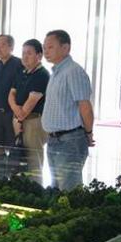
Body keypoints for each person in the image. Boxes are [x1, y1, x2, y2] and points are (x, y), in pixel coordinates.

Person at [41, 30, 94, 191]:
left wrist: (88, 132)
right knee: (57, 188)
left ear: (65, 48)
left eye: (50, 47)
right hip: (54, 140)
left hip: (69, 140)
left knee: (69, 189)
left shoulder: (73, 71)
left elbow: (85, 106)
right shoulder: (56, 72)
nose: (46, 51)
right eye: (44, 47)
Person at [8, 39, 50, 184]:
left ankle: (35, 189)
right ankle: (21, 188)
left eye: (29, 53)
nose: (25, 57)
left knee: (33, 161)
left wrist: (19, 116)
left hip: (33, 122)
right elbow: (11, 94)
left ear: (39, 55)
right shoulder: (22, 72)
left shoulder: (42, 75)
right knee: (19, 158)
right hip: (19, 120)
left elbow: (32, 101)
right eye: (23, 53)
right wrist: (16, 111)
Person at [0, 34, 24, 179]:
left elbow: (21, 90)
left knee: (13, 147)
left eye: (2, 45)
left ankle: (13, 179)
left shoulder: (19, 64)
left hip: (12, 113)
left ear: (11, 47)